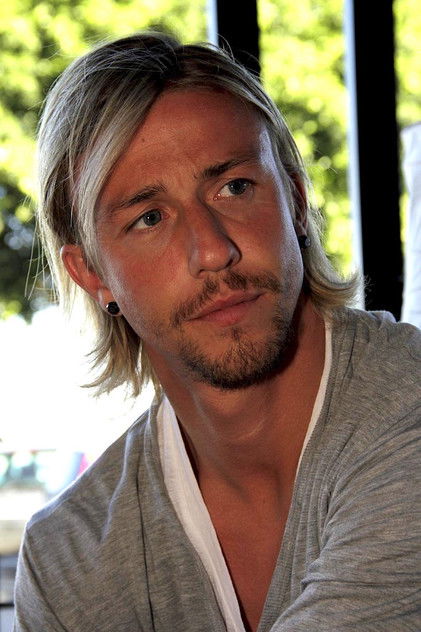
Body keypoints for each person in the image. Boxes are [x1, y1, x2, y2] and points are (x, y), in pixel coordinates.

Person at [14, 32, 420, 631]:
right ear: (92, 274)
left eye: (234, 187)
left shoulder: (409, 412)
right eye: (149, 218)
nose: (212, 250)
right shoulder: (69, 559)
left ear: (296, 198)